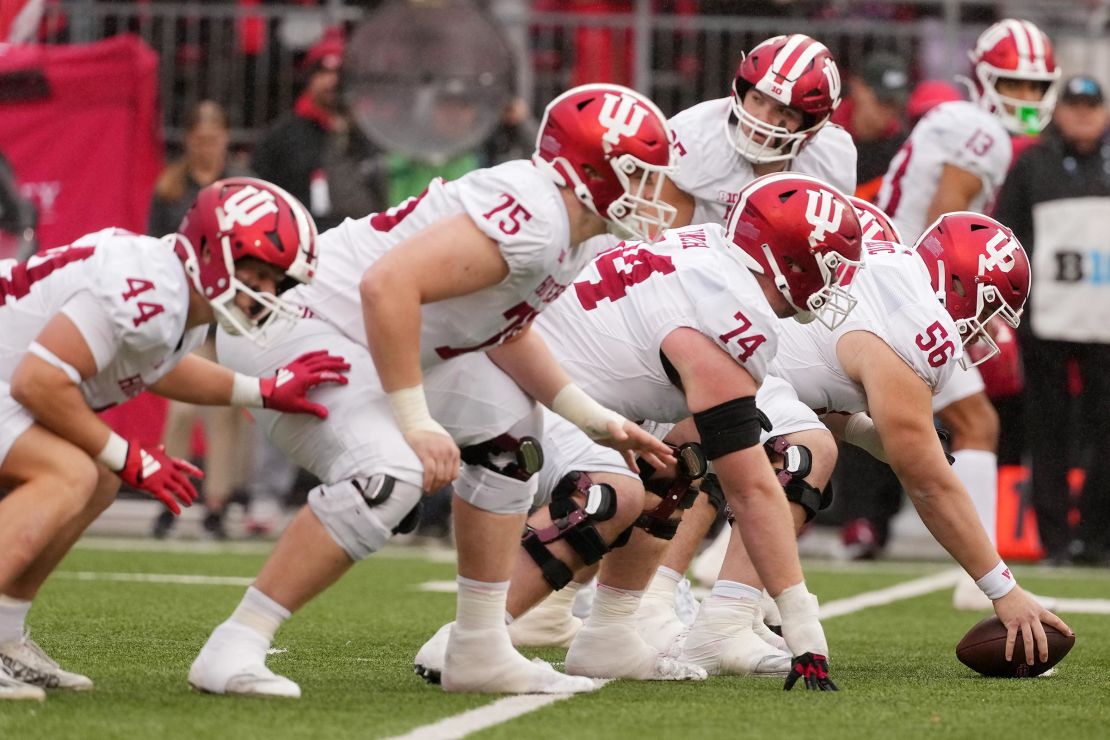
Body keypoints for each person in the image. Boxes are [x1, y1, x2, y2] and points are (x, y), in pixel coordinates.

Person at [187, 83, 678, 698]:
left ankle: (478, 647)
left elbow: (504, 330)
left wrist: (589, 416)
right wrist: (416, 421)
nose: (649, 192)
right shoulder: (536, 215)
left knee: (511, 437)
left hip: (369, 334)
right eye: (637, 173)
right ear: (587, 170)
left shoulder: (571, 232)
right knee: (389, 473)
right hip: (300, 323)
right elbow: (386, 287)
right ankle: (237, 642)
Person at [413, 172, 864, 690]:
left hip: (559, 385)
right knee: (607, 494)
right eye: (828, 269)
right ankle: (472, 637)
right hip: (516, 386)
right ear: (790, 263)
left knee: (678, 459)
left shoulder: (714, 252)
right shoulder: (731, 315)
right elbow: (752, 488)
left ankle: (611, 630)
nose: (831, 286)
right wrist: (800, 616)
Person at [503, 32, 853, 657]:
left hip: (740, 322)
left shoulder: (834, 158)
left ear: (816, 125)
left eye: (786, 113)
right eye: (759, 101)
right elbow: (650, 242)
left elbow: (818, 265)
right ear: (738, 89)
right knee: (668, 460)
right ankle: (638, 602)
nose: (766, 121)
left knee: (722, 457)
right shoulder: (694, 135)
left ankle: (642, 608)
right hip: (669, 319)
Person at [0, 177, 348, 700]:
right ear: (210, 249)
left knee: (96, 478)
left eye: (275, 280)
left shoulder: (171, 286)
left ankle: (5, 634)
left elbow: (157, 365)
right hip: (16, 379)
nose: (266, 293)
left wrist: (264, 390)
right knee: (72, 471)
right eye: (257, 273)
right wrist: (133, 457)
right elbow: (39, 382)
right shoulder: (148, 288)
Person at [715, 210, 1072, 672]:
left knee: (788, 444)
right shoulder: (919, 327)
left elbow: (807, 379)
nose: (983, 330)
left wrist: (863, 431)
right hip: (724, 367)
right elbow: (929, 484)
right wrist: (1003, 590)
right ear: (958, 285)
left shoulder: (893, 269)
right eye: (986, 310)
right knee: (804, 455)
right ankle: (719, 619)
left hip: (723, 354)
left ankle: (665, 608)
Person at [876, 18, 1061, 609]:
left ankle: (725, 559)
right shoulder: (982, 131)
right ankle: (983, 580)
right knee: (976, 424)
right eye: (1015, 84)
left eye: (1034, 88)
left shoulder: (962, 120)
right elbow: (945, 223)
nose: (1025, 99)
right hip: (904, 291)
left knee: (820, 430)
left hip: (887, 281)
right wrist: (966, 308)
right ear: (983, 78)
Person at [992, 75, 1110, 565]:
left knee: (1105, 433)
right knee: (1048, 432)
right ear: (1058, 111)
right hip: (1045, 321)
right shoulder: (1032, 164)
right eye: (1074, 105)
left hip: (1104, 322)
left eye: (1092, 106)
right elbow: (1008, 237)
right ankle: (1056, 539)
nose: (1083, 114)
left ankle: (1099, 538)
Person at [148, 100, 257, 540]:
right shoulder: (170, 189)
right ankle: (169, 495)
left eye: (214, 138)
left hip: (226, 316)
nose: (207, 146)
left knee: (227, 412)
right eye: (200, 138)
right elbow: (155, 248)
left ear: (225, 140)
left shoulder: (241, 190)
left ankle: (217, 499)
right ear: (189, 140)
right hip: (184, 316)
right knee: (181, 411)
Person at [252, 28, 385, 231]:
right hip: (305, 241)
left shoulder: (368, 131)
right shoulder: (284, 135)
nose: (331, 81)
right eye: (323, 72)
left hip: (363, 241)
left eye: (338, 74)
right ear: (309, 79)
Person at [831, 51, 910, 201]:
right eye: (882, 99)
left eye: (895, 103)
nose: (889, 110)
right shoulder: (826, 131)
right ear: (857, 88)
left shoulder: (900, 148)